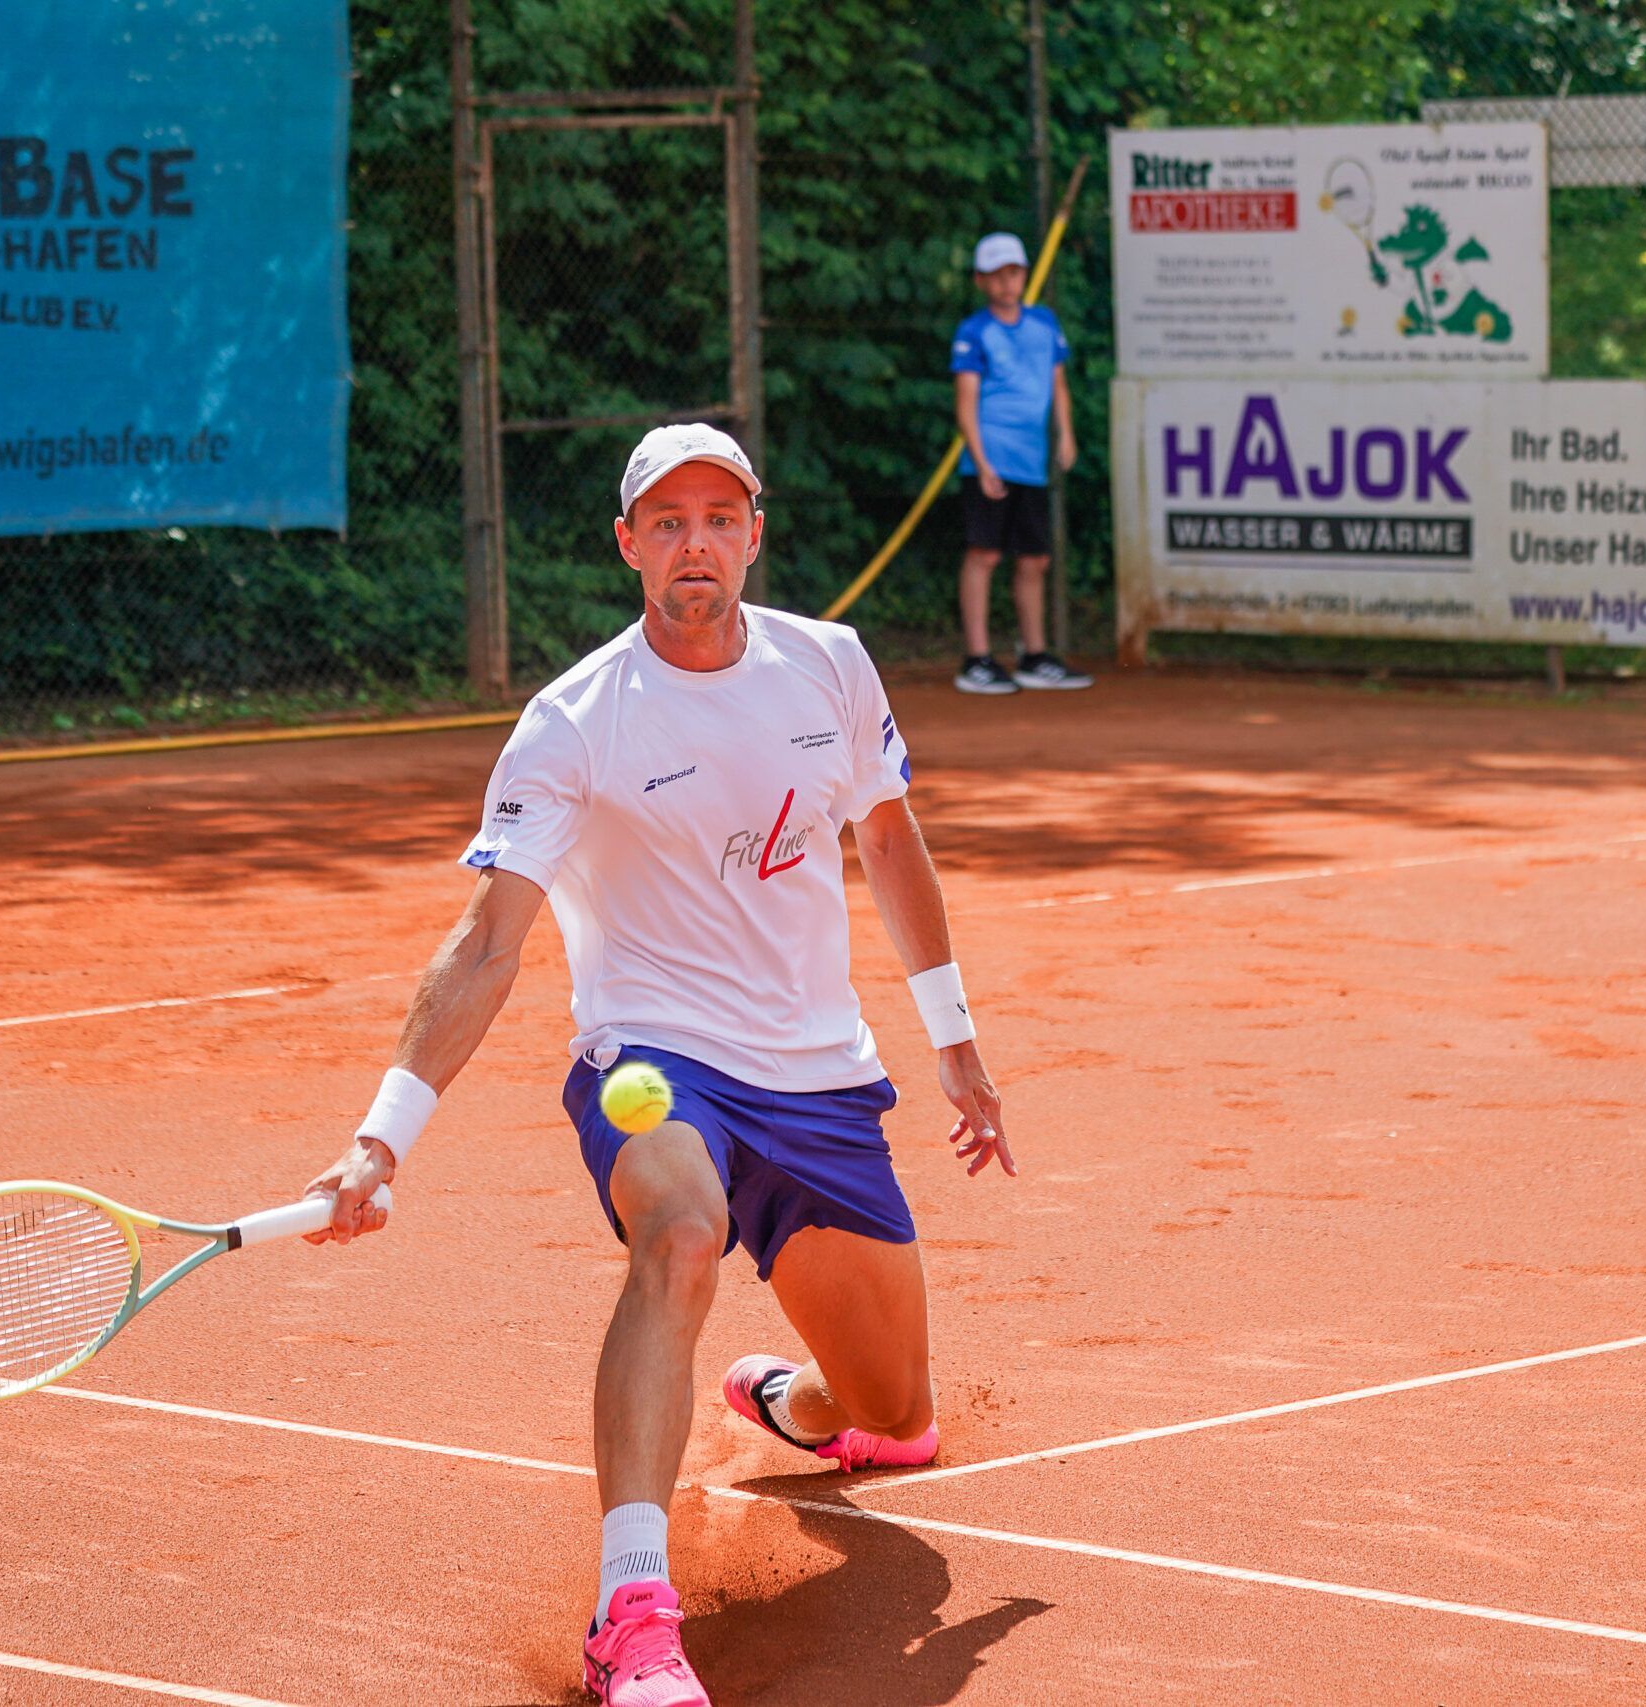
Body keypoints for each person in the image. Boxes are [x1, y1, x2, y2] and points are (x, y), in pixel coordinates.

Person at [300, 423, 1017, 1707]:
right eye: (669, 522)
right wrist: (380, 1137)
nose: (697, 543)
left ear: (754, 535)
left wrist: (954, 1043)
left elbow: (888, 840)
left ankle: (794, 1401)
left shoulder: (830, 665)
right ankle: (631, 1615)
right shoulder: (573, 722)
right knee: (681, 1236)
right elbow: (486, 943)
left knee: (897, 1417)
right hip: (655, 1062)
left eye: (719, 518)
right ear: (628, 543)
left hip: (820, 1079)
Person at [950, 230, 1091, 695]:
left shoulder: (1045, 324)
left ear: (1025, 275)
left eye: (1013, 273)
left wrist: (1066, 433)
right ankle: (977, 659)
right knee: (984, 554)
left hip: (1032, 463)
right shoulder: (974, 332)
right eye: (995, 276)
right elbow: (966, 403)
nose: (1006, 283)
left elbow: (1058, 384)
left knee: (1035, 559)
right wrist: (982, 462)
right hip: (990, 461)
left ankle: (1034, 655)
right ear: (980, 281)